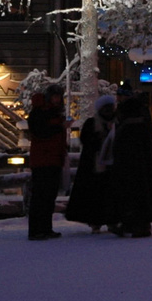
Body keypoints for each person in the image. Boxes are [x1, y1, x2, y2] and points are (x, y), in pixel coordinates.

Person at [108, 83, 152, 237]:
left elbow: (124, 134)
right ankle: (139, 223)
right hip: (140, 158)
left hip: (129, 158)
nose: (117, 98)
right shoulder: (140, 109)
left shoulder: (128, 111)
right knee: (141, 190)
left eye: (120, 95)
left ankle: (132, 223)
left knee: (131, 191)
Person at [64, 94, 116, 233]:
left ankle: (112, 220)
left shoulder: (116, 123)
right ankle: (95, 221)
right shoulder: (92, 123)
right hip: (94, 164)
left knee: (111, 193)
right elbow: (86, 141)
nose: (108, 112)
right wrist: (98, 141)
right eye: (106, 109)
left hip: (112, 163)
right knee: (95, 194)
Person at [25, 85, 70, 240]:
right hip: (43, 159)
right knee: (40, 196)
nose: (57, 99)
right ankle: (36, 230)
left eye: (59, 96)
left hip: (53, 158)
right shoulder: (40, 113)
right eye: (55, 96)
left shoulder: (53, 113)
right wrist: (60, 128)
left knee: (49, 196)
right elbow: (40, 133)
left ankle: (45, 228)